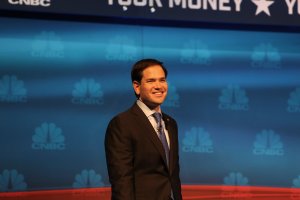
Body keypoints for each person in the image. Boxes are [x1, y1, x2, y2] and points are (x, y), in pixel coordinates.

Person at [105, 58, 182, 200]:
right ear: (137, 87)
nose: (159, 86)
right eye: (151, 81)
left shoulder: (171, 124)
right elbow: (121, 181)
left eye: (162, 80)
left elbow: (172, 175)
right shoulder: (122, 124)